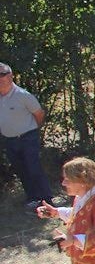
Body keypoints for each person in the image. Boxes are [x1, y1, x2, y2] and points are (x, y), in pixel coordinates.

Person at [0, 62, 55, 210]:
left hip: (27, 137)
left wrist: (32, 130)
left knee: (33, 167)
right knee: (21, 169)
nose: (0, 78)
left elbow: (39, 114)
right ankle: (33, 199)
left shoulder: (23, 95)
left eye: (3, 74)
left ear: (10, 76)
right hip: (9, 140)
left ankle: (47, 200)